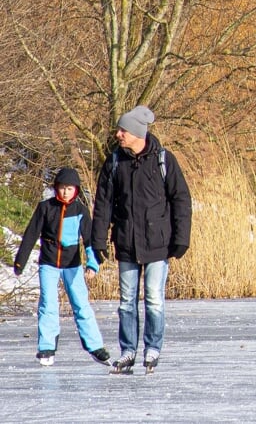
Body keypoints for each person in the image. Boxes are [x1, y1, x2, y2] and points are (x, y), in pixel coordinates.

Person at [90, 105, 191, 374]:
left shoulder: (163, 160)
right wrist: (98, 240)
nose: (118, 134)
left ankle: (153, 348)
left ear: (136, 133)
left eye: (123, 130)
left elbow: (181, 199)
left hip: (158, 243)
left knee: (154, 299)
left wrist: (182, 238)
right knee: (126, 302)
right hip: (125, 242)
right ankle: (128, 351)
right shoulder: (114, 162)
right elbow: (103, 204)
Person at [13, 167, 110, 366]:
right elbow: (31, 234)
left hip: (72, 265)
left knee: (81, 304)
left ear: (76, 190)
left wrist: (93, 263)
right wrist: (20, 262)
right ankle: (46, 347)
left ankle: (95, 346)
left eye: (70, 189)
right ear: (56, 188)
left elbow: (89, 240)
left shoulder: (80, 211)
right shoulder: (45, 207)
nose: (66, 192)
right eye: (62, 188)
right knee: (48, 304)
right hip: (48, 263)